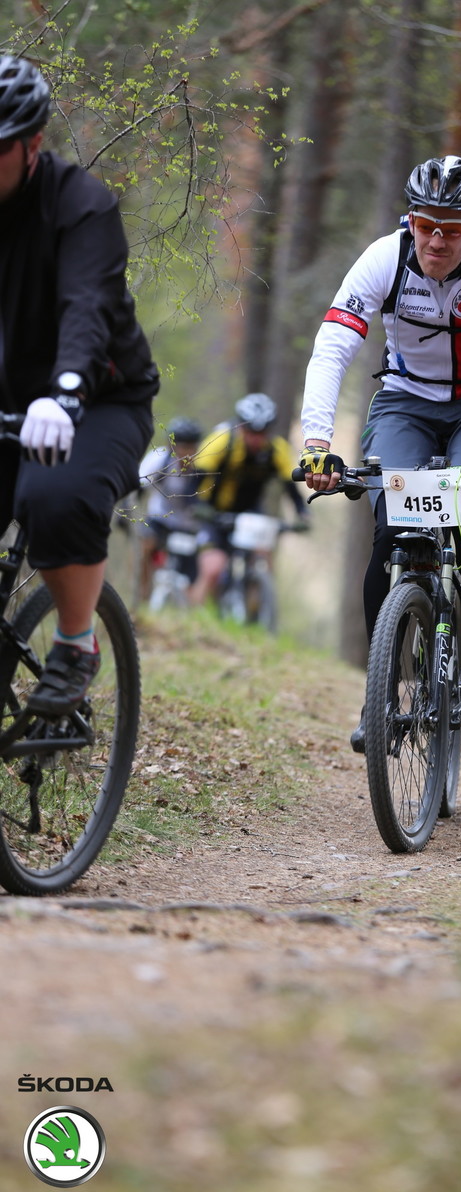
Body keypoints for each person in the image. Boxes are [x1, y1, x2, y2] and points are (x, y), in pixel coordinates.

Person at [299, 155, 461, 751]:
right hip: (405, 403)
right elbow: (332, 347)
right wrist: (318, 443)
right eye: (426, 226)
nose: (437, 240)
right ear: (411, 221)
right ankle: (382, 695)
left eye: (452, 228)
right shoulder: (385, 257)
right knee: (390, 520)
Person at [0, 55, 158, 716]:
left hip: (98, 403)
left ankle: (75, 643)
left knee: (53, 496)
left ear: (32, 145)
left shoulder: (81, 206)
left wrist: (64, 393)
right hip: (10, 404)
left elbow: (86, 310)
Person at [188, 393, 307, 606]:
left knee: (263, 558)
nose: (256, 438)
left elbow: (290, 487)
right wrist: (196, 506)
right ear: (241, 427)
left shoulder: (276, 449)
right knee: (213, 569)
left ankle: (257, 617)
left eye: (262, 433)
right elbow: (194, 481)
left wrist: (302, 514)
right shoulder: (222, 441)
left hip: (250, 512)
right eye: (251, 432)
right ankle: (192, 620)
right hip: (214, 511)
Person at [136, 416, 204, 601]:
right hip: (160, 519)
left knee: (193, 574)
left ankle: (189, 610)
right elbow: (138, 486)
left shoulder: (203, 467)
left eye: (192, 446)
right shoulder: (159, 460)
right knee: (145, 548)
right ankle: (143, 595)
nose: (187, 453)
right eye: (182, 446)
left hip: (189, 526)